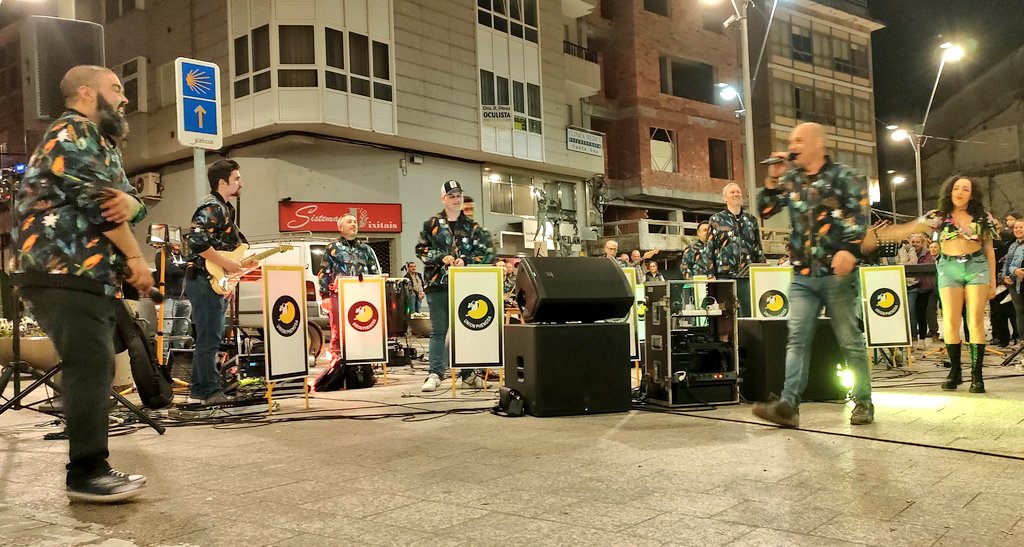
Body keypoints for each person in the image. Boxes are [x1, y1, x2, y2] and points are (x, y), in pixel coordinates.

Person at [14, 65, 151, 502]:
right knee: (90, 364)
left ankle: (92, 467)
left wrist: (133, 203)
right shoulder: (73, 132)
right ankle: (87, 473)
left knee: (95, 363)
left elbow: (130, 204)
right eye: (117, 89)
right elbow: (106, 205)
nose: (125, 99)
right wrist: (134, 257)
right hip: (62, 269)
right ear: (87, 92)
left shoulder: (100, 141)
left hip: (83, 273)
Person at [751, 122, 874, 427]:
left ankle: (863, 402)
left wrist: (850, 249)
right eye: (792, 141)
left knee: (849, 340)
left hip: (837, 274)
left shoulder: (843, 176)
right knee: (797, 340)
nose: (793, 145)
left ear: (818, 144)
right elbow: (764, 210)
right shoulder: (791, 179)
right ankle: (788, 406)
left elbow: (860, 215)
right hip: (803, 276)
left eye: (799, 140)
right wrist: (772, 176)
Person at [871, 175, 999, 393]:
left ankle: (977, 376)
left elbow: (988, 250)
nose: (960, 192)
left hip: (977, 267)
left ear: (972, 194)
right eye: (956, 188)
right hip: (949, 268)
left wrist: (993, 282)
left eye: (965, 189)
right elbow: (913, 228)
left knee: (975, 321)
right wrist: (886, 232)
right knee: (949, 321)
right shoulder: (937, 217)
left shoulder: (982, 218)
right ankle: (955, 372)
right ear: (949, 192)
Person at [416, 180, 494, 391]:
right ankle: (435, 373)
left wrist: (466, 260)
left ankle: (468, 374)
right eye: (452, 196)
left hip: (465, 285)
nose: (456, 199)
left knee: (465, 330)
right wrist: (441, 257)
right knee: (438, 330)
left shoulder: (472, 227)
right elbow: (421, 250)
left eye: (459, 195)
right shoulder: (431, 224)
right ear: (443, 199)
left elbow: (487, 254)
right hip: (437, 284)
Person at [184, 159, 245, 405]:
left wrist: (233, 267)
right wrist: (228, 265)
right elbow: (197, 242)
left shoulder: (224, 208)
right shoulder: (213, 207)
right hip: (203, 278)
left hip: (211, 279)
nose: (242, 183)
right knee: (210, 338)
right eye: (237, 179)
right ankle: (207, 391)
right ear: (223, 182)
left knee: (209, 337)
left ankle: (199, 391)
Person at [317, 214, 381, 359]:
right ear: (340, 227)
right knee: (338, 331)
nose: (353, 224)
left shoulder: (366, 249)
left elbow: (375, 273)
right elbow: (324, 273)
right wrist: (325, 296)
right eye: (349, 222)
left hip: (363, 299)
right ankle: (337, 365)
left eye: (355, 222)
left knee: (363, 329)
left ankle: (363, 365)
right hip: (339, 297)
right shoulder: (332, 248)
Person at [704, 182, 767, 316]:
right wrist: (710, 275)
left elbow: (757, 248)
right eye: (732, 192)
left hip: (747, 277)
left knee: (749, 313)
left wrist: (763, 271)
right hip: (724, 277)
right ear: (725, 198)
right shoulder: (716, 219)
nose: (736, 194)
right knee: (726, 316)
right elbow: (709, 248)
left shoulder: (751, 220)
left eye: (738, 192)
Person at [154, 242, 192, 361]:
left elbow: (190, 272)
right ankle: (163, 359)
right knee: (166, 330)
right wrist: (185, 267)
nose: (178, 244)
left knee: (182, 330)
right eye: (174, 241)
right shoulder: (162, 256)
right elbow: (169, 270)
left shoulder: (184, 258)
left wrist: (183, 267)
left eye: (179, 241)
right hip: (169, 298)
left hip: (185, 299)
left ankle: (178, 358)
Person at [910, 234, 939, 342]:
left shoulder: (927, 254)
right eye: (913, 242)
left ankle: (934, 332)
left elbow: (926, 269)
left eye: (917, 242)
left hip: (927, 287)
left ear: (922, 243)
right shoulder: (908, 252)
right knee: (914, 311)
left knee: (929, 310)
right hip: (913, 286)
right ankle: (914, 334)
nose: (915, 244)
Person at [1000, 219, 1024, 346]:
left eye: (1021, 227)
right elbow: (1007, 263)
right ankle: (1022, 341)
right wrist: (1005, 276)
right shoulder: (1013, 246)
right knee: (1019, 312)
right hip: (1015, 284)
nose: (1018, 230)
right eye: (1016, 228)